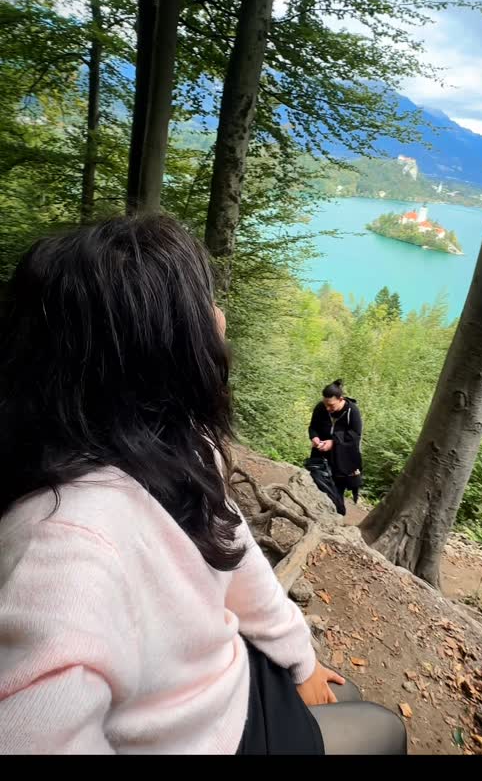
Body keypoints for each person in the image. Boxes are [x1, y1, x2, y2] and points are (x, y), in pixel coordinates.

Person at [0, 216, 405, 755]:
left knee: (341, 693)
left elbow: (236, 554)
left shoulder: (177, 446)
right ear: (155, 345)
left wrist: (300, 657)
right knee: (384, 729)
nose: (219, 317)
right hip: (204, 734)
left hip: (222, 680)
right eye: (201, 303)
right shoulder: (66, 541)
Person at [308, 381, 363, 516]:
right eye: (325, 404)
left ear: (340, 399)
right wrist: (314, 438)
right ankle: (316, 514)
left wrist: (333, 443)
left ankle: (337, 515)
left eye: (331, 405)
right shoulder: (321, 407)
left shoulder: (352, 411)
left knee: (337, 489)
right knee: (318, 485)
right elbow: (313, 427)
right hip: (320, 456)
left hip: (341, 459)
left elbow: (355, 435)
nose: (327, 408)